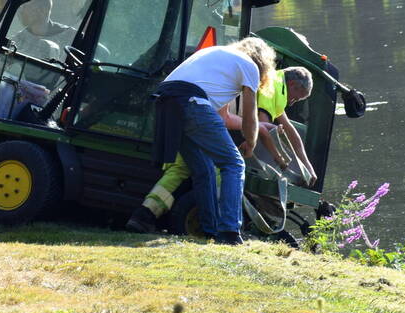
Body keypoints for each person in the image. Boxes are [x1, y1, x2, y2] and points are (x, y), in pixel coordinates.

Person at [127, 65, 315, 234]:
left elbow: (288, 130)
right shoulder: (272, 87)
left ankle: (144, 214)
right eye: (297, 97)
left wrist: (306, 165)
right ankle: (223, 228)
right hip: (210, 121)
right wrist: (279, 159)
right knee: (225, 172)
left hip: (192, 111)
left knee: (180, 169)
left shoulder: (273, 81)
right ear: (292, 84)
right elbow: (263, 127)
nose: (294, 102)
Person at [145, 37, 274, 245]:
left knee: (204, 168)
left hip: (164, 102)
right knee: (234, 163)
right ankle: (230, 232)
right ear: (262, 63)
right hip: (191, 101)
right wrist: (251, 142)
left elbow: (222, 117)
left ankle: (210, 230)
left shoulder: (218, 56)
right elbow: (250, 115)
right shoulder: (250, 66)